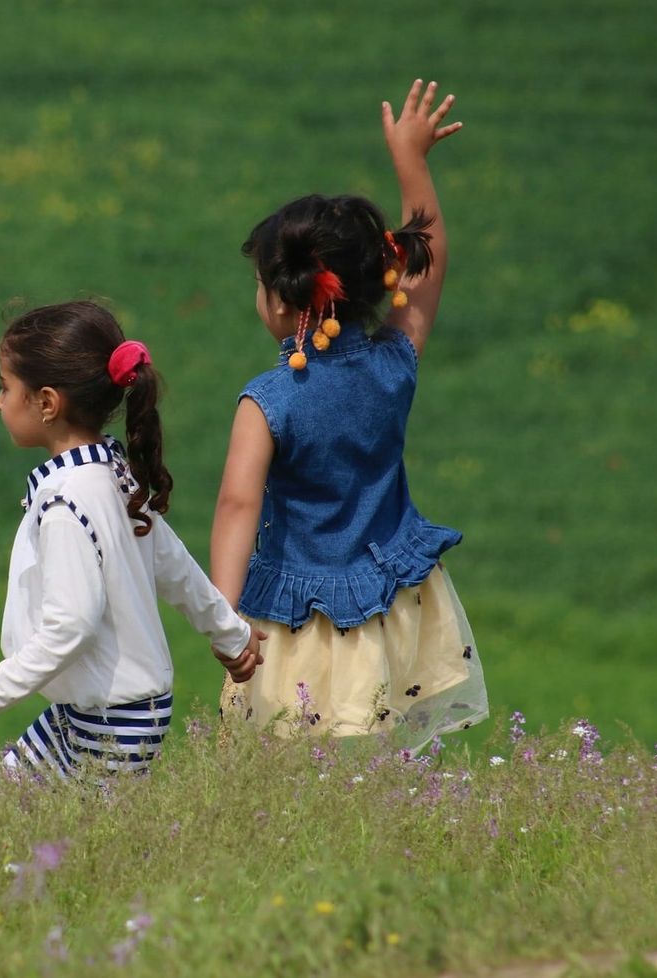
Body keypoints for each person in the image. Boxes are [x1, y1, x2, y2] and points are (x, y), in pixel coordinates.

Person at [209, 80, 488, 749]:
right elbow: (430, 258)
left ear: (284, 301)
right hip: (392, 613)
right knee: (380, 767)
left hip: (301, 627)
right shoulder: (394, 362)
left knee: (287, 779)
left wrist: (222, 617)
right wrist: (411, 162)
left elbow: (236, 506)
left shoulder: (267, 400)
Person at [0, 300, 263, 777]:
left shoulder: (66, 504)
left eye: (5, 387)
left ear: (47, 403)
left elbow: (72, 624)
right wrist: (231, 634)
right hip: (102, 710)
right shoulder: (111, 475)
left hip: (111, 720)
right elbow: (175, 566)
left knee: (82, 845)